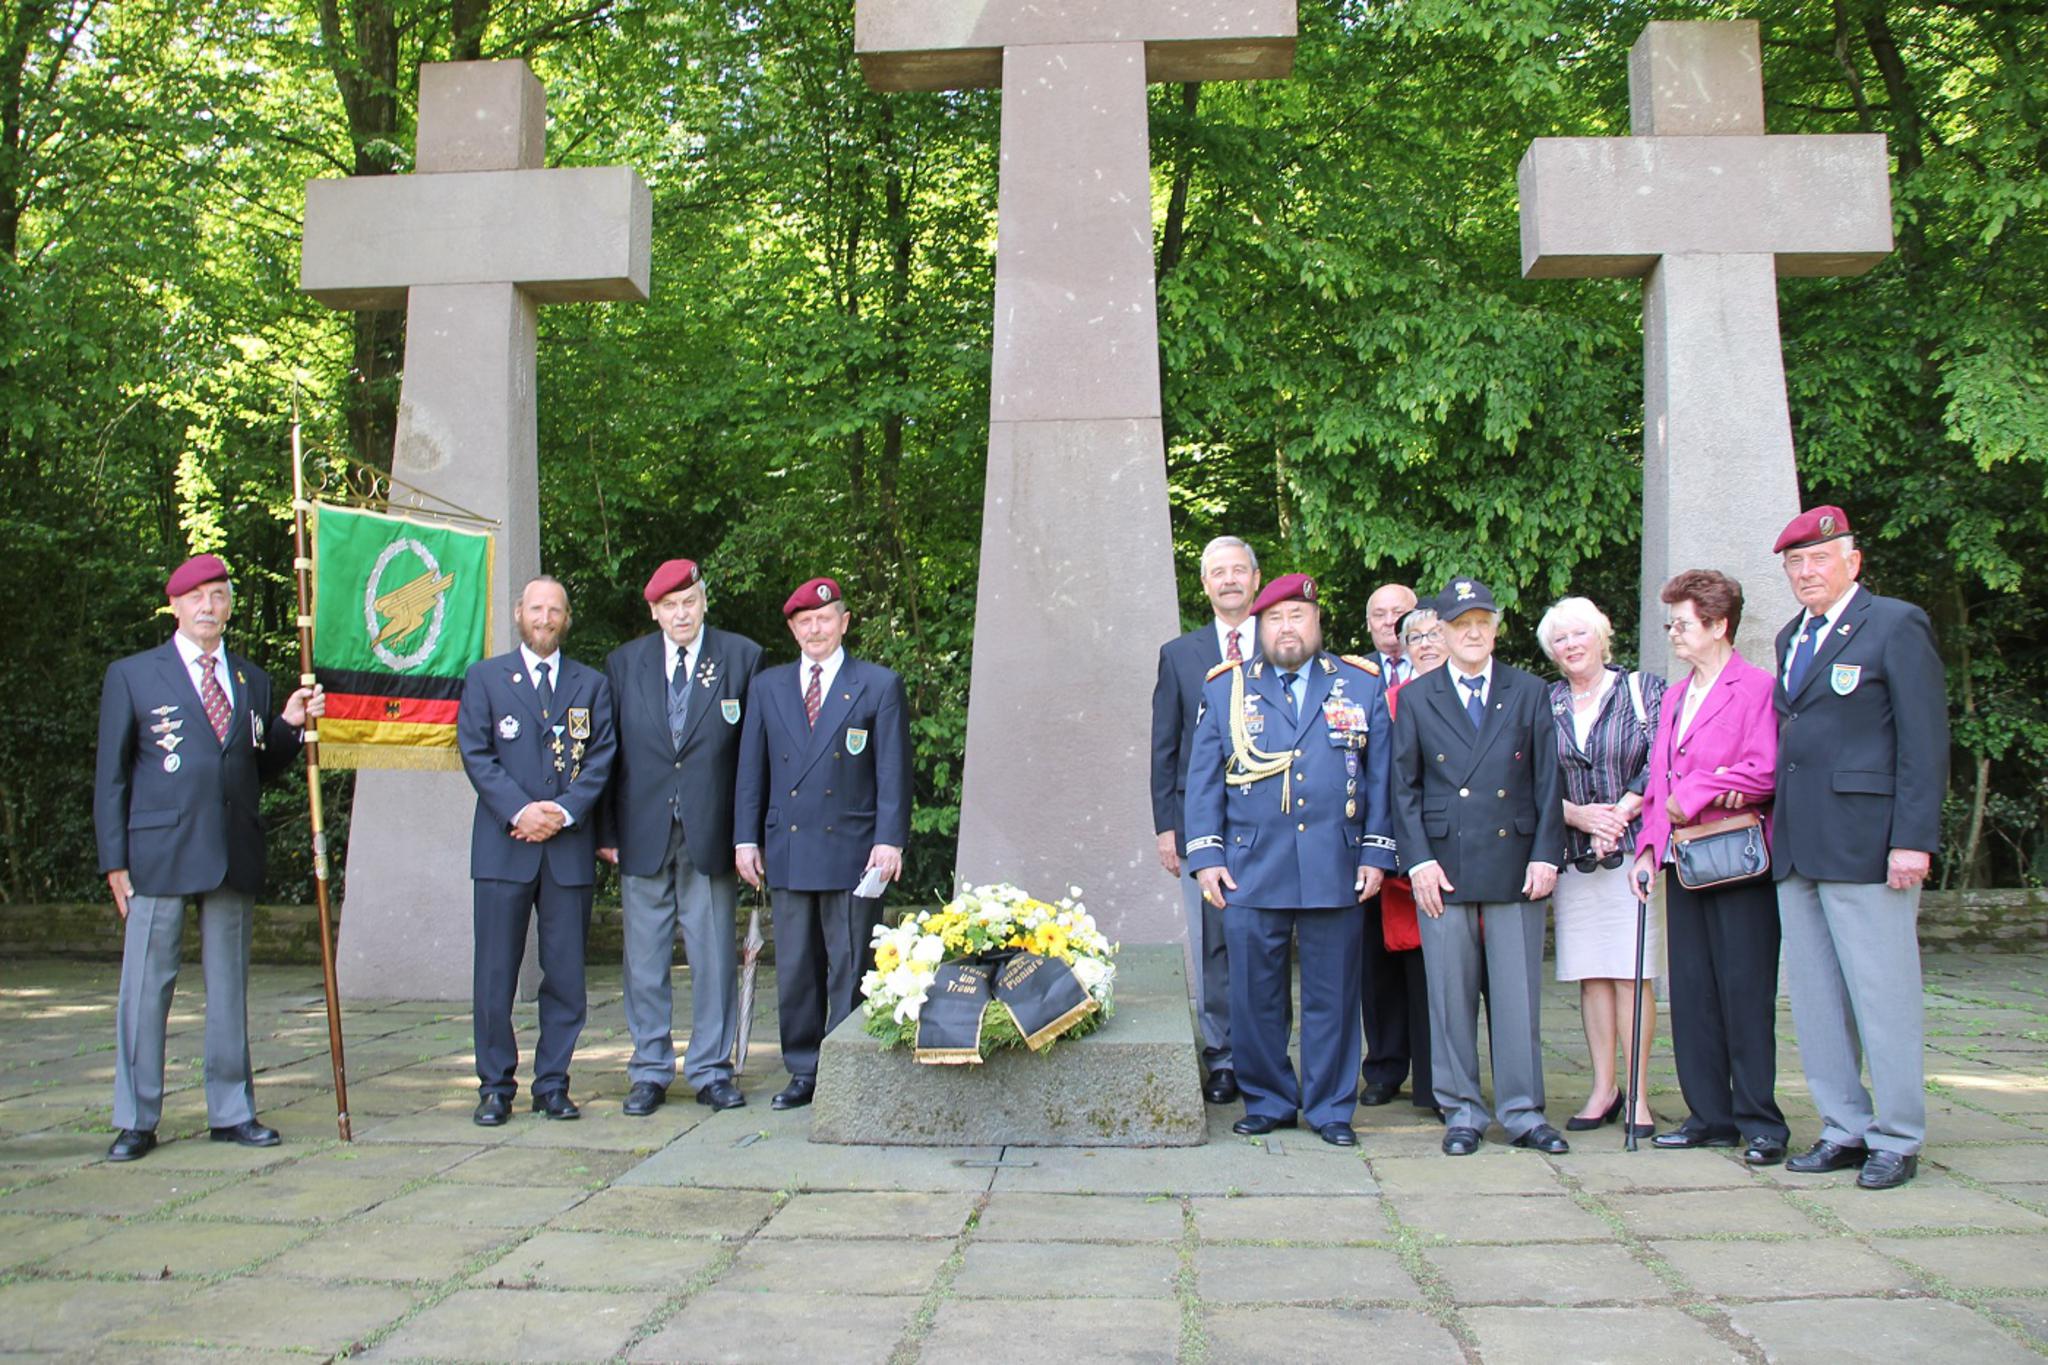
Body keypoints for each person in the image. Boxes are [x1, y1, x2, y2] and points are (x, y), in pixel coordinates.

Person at [93, 554, 324, 1162]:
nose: (208, 608)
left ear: (228, 604)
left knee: (229, 987)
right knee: (147, 987)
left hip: (231, 848)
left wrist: (289, 725)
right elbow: (111, 778)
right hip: (157, 852)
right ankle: (137, 1118)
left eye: (218, 596)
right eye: (196, 598)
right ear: (175, 606)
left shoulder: (249, 679)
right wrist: (114, 861)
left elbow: (255, 765)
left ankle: (231, 1109)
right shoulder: (135, 675)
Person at [1184, 573, 1397, 1147]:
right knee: (1256, 996)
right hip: (1251, 866)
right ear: (1258, 627)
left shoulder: (1359, 684)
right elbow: (1201, 780)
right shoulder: (1226, 688)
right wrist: (1206, 857)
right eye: (1275, 619)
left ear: (1317, 623)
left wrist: (1377, 853)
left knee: (1333, 995)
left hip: (1336, 864)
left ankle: (1330, 1107)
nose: (1287, 628)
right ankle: (1270, 1099)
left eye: (1298, 617)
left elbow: (1383, 777)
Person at [1769, 507, 1948, 1189]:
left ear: (1853, 560)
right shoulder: (1792, 636)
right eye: (1795, 563)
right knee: (1816, 999)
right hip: (1800, 844)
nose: (1807, 572)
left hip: (1870, 843)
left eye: (1819, 558)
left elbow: (1924, 740)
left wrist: (1913, 839)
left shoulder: (1893, 623)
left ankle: (1898, 1135)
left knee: (1883, 995)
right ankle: (1843, 1125)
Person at [1392, 577, 1569, 1157]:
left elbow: (1548, 780)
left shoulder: (1528, 691)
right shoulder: (1418, 697)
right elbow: (1404, 789)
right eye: (1461, 624)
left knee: (1518, 995)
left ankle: (1522, 1112)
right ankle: (1461, 1110)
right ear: (1440, 632)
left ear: (1495, 629)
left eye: (1482, 623)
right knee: (1449, 993)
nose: (1473, 633)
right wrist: (1416, 860)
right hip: (1443, 864)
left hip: (1515, 861)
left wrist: (1547, 852)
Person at [735, 577, 913, 1111]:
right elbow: (751, 770)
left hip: (854, 849)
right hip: (786, 848)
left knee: (851, 962)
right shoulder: (768, 687)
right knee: (794, 967)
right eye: (804, 622)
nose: (815, 629)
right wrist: (745, 838)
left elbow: (893, 771)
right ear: (793, 629)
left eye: (824, 618)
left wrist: (890, 840)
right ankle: (804, 1069)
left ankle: (847, 1063)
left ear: (844, 622)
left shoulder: (878, 685)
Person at [1631, 570, 1788, 1166]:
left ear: (1719, 626)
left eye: (1683, 623)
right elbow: (1657, 786)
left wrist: (1698, 791)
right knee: (1692, 993)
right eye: (1670, 623)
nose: (1673, 634)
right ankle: (1710, 1117)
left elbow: (1765, 770)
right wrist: (1648, 849)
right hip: (1682, 860)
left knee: (1744, 992)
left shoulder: (1756, 689)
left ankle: (1761, 1121)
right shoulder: (1675, 694)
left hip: (1739, 862)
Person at [599, 558, 762, 1116]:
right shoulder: (624, 663)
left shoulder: (741, 658)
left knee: (714, 955)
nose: (681, 613)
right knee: (643, 959)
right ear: (654, 611)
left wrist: (748, 836)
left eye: (689, 601)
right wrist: (606, 829)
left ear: (704, 601)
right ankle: (648, 1069)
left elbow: (752, 760)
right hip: (641, 830)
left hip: (712, 833)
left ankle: (712, 1070)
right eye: (669, 606)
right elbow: (607, 754)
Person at [457, 575, 617, 1127]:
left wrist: (564, 812)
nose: (545, 618)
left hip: (567, 851)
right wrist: (521, 811)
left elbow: (600, 758)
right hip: (504, 847)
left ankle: (552, 1083)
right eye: (536, 608)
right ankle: (495, 1087)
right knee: (494, 976)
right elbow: (476, 753)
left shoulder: (591, 685)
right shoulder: (485, 679)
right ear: (517, 614)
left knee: (567, 976)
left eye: (555, 610)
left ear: (567, 619)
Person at [1538, 596, 1666, 1140]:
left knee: (1631, 973)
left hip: (1633, 847)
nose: (1570, 645)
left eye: (1578, 634)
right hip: (1576, 855)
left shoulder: (1643, 690)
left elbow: (1662, 757)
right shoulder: (1546, 704)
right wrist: (1577, 815)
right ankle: (1603, 1088)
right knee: (1591, 973)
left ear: (1601, 635)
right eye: (1559, 639)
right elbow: (1535, 779)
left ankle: (1637, 1093)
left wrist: (1619, 813)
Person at [1149, 535, 1261, 1105]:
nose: (1229, 580)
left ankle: (1267, 1055)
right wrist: (1167, 828)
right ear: (1204, 585)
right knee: (1214, 943)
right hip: (1204, 822)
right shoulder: (1180, 654)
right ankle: (1223, 1057)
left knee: (1270, 939)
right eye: (1218, 572)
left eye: (1238, 570)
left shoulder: (1287, 642)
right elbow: (1164, 746)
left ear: (1256, 580)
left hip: (1274, 821)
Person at [1379, 603, 1449, 1121]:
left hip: (1470, 855)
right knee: (1406, 974)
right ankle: (1417, 1080)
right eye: (1415, 636)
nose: (1425, 643)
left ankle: (1454, 1082)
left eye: (1434, 633)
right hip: (1404, 859)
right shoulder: (1389, 701)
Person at [1357, 582, 1422, 1109]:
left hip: (1425, 839)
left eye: (1400, 613)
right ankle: (1382, 1067)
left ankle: (1431, 1068)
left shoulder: (1436, 672)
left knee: (1424, 962)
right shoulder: (1351, 678)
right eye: (1380, 614)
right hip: (1362, 840)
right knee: (1373, 960)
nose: (1390, 622)